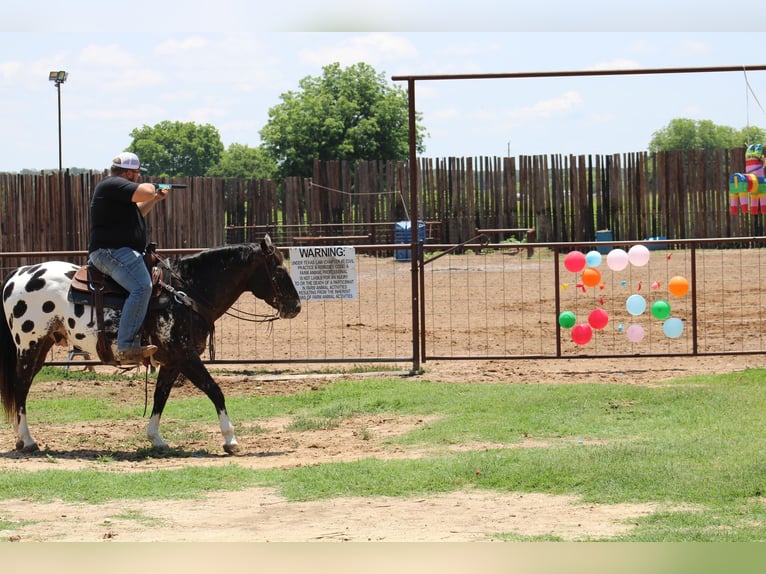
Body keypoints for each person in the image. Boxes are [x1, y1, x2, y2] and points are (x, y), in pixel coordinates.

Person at [88, 151, 170, 365]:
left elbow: (138, 212)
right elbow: (144, 191)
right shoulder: (112, 184)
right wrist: (154, 187)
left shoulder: (117, 191)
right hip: (111, 251)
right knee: (142, 286)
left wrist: (155, 199)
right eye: (137, 173)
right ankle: (126, 346)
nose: (139, 177)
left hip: (118, 251)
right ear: (129, 173)